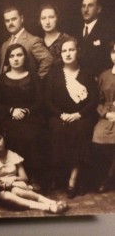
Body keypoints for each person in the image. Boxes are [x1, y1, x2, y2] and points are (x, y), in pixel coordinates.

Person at [45, 37, 97, 198]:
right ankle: (60, 176)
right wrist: (61, 115)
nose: (68, 54)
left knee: (81, 130)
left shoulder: (87, 73)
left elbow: (94, 100)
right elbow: (47, 100)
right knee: (57, 129)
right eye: (64, 50)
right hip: (60, 115)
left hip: (81, 115)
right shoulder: (54, 74)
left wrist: (78, 114)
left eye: (71, 50)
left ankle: (75, 178)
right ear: (60, 54)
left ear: (78, 51)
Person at [0, 124, 68, 214]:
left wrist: (15, 181)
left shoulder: (13, 155)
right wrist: (11, 184)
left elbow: (24, 178)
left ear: (4, 137)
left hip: (17, 186)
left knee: (16, 191)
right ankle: (47, 207)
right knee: (6, 196)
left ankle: (51, 202)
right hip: (3, 190)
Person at [0, 43, 45, 191]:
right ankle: (13, 177)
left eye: (19, 55)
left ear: (25, 57)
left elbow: (39, 101)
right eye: (12, 56)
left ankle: (34, 177)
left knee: (33, 135)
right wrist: (11, 110)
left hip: (30, 116)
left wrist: (26, 111)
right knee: (12, 135)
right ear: (7, 59)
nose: (16, 59)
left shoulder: (33, 77)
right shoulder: (0, 79)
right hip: (8, 117)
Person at [0, 5, 53, 79]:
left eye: (14, 19)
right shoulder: (4, 45)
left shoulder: (33, 41)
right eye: (7, 21)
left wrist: (36, 81)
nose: (10, 23)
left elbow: (48, 59)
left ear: (21, 19)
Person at [92, 41, 115, 193]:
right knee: (98, 136)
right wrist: (105, 113)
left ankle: (109, 177)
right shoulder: (104, 75)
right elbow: (97, 101)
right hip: (107, 115)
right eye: (114, 52)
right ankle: (107, 174)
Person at [74, 0, 113, 78]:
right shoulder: (75, 30)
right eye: (83, 6)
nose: (85, 10)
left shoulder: (108, 32)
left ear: (98, 9)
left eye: (90, 5)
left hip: (98, 79)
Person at [39, 3, 71, 67]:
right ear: (40, 21)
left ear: (57, 18)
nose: (47, 22)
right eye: (43, 18)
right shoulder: (38, 43)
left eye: (51, 17)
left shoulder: (67, 40)